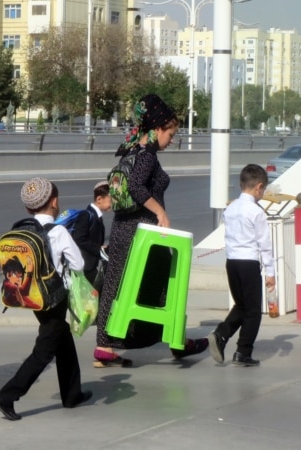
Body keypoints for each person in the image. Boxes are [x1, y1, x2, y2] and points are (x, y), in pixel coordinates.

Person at [94, 94, 209, 368]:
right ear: (157, 129)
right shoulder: (147, 155)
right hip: (143, 234)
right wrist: (160, 211)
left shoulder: (131, 149)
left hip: (123, 228)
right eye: (171, 133)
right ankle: (177, 341)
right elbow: (135, 187)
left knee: (117, 284)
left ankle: (104, 347)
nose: (172, 140)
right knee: (167, 284)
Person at [0, 177, 93, 421]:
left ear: (29, 207)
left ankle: (72, 394)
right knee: (44, 351)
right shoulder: (57, 231)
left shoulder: (22, 230)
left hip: (32, 296)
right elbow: (79, 263)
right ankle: (7, 396)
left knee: (62, 337)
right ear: (54, 201)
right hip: (54, 297)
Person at [207, 164, 276, 367]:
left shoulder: (231, 208)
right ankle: (243, 351)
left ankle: (221, 334)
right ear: (259, 187)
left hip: (232, 262)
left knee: (241, 305)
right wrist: (270, 273)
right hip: (248, 262)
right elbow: (265, 245)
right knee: (253, 310)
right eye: (263, 190)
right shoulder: (256, 212)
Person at [69, 180, 112, 288]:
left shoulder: (96, 216)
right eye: (111, 200)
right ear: (99, 199)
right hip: (85, 265)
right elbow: (78, 239)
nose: (113, 204)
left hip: (91, 265)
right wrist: (98, 248)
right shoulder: (86, 215)